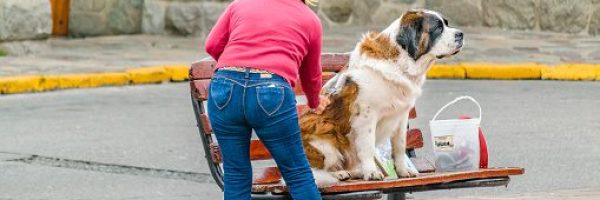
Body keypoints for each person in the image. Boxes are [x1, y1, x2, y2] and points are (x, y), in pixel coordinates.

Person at [204, 0, 328, 199]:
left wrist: (237, 69)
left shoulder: (240, 4)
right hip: (271, 92)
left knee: (235, 173)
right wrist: (314, 101)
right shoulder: (310, 19)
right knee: (297, 173)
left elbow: (212, 45)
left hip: (224, 87)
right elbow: (312, 74)